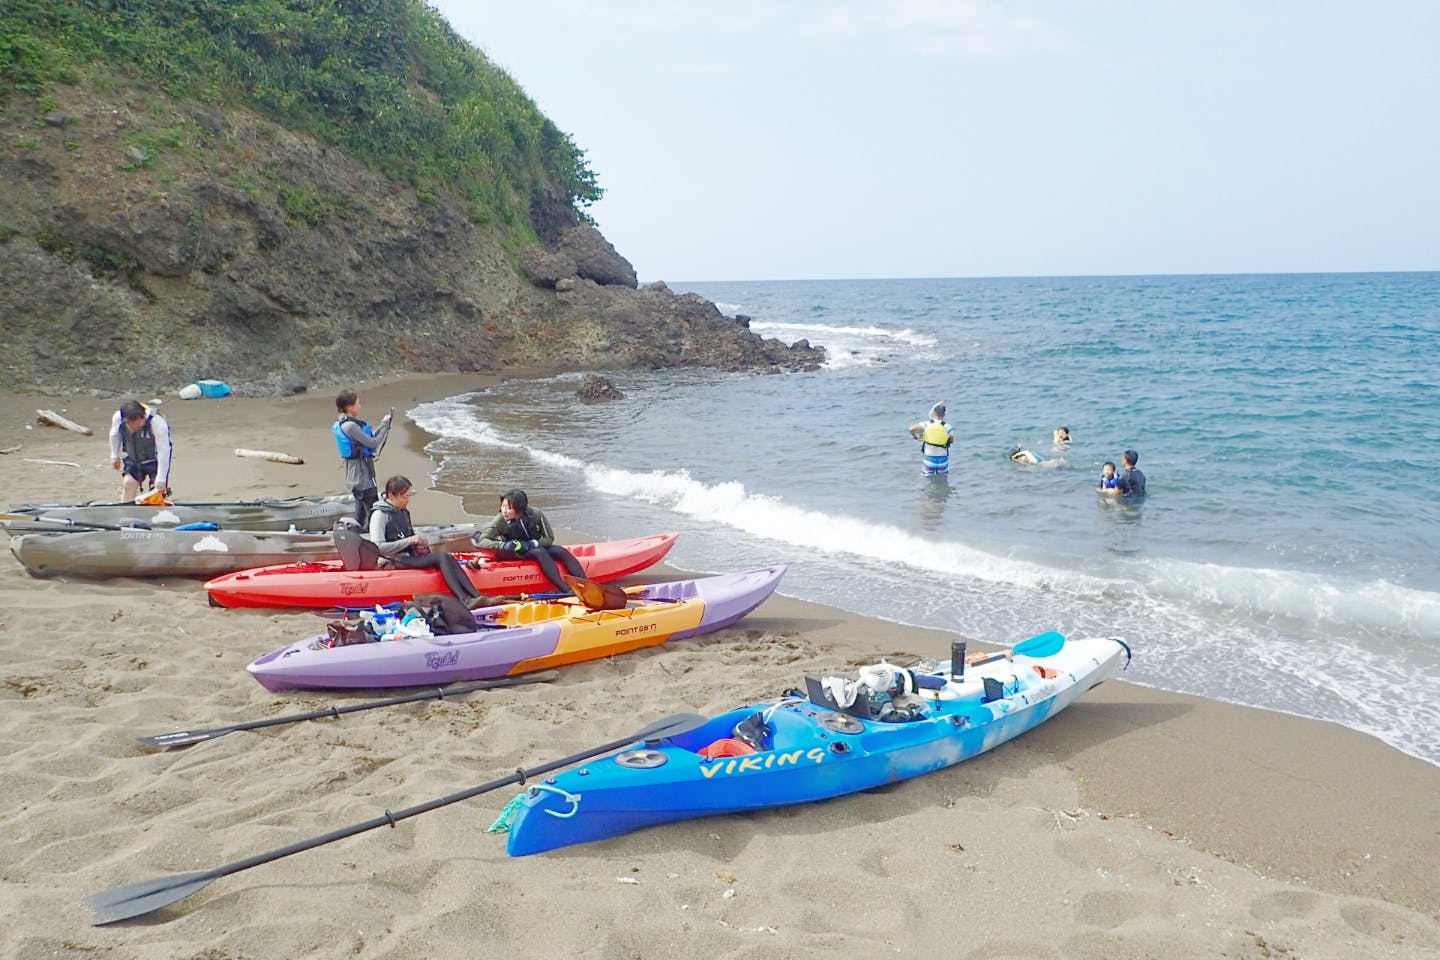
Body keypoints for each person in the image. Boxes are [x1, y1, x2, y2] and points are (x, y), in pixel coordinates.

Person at [367, 475, 483, 605]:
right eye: (405, 497)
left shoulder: (402, 511)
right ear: (391, 495)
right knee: (441, 558)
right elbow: (377, 547)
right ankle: (464, 599)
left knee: (447, 558)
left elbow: (407, 535)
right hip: (391, 560)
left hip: (407, 556)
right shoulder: (380, 515)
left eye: (409, 496)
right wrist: (410, 540)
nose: (408, 500)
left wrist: (419, 542)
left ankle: (476, 596)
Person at [474, 488, 587, 594]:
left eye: (509, 508)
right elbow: (482, 541)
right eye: (503, 506)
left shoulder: (536, 514)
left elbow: (549, 538)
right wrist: (504, 545)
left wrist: (531, 544)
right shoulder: (500, 520)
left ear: (519, 509)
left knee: (560, 550)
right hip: (514, 552)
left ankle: (586, 584)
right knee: (539, 552)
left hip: (532, 546)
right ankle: (565, 589)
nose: (504, 511)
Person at [334, 389, 392, 527]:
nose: (360, 406)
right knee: (372, 511)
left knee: (360, 513)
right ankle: (370, 539)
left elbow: (369, 438)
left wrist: (383, 426)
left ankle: (357, 535)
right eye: (358, 403)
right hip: (362, 475)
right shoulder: (350, 426)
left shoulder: (343, 424)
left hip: (354, 474)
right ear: (349, 407)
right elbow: (373, 443)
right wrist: (385, 426)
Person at [108, 400, 173, 501]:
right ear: (126, 421)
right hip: (134, 458)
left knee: (156, 491)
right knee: (128, 484)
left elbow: (164, 450)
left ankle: (158, 514)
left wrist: (161, 478)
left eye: (140, 422)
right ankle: (126, 514)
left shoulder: (157, 422)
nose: (139, 426)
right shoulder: (118, 418)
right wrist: (114, 455)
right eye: (134, 424)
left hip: (155, 460)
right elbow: (115, 434)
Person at [907, 401, 954, 476]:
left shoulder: (927, 424)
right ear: (944, 414)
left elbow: (911, 429)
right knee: (943, 480)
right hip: (942, 457)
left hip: (930, 457)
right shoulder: (948, 427)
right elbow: (951, 441)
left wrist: (916, 437)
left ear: (934, 413)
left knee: (927, 480)